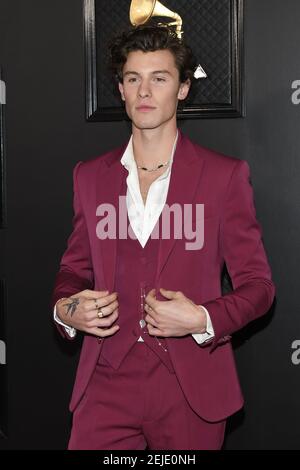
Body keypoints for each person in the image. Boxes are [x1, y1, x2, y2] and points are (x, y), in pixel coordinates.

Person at [52, 24, 275, 450]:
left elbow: (259, 288)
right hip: (105, 385)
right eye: (134, 78)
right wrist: (67, 309)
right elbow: (72, 270)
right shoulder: (89, 177)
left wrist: (203, 318)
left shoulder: (224, 177)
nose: (145, 91)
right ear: (120, 89)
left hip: (189, 389)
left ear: (184, 88)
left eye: (160, 78)